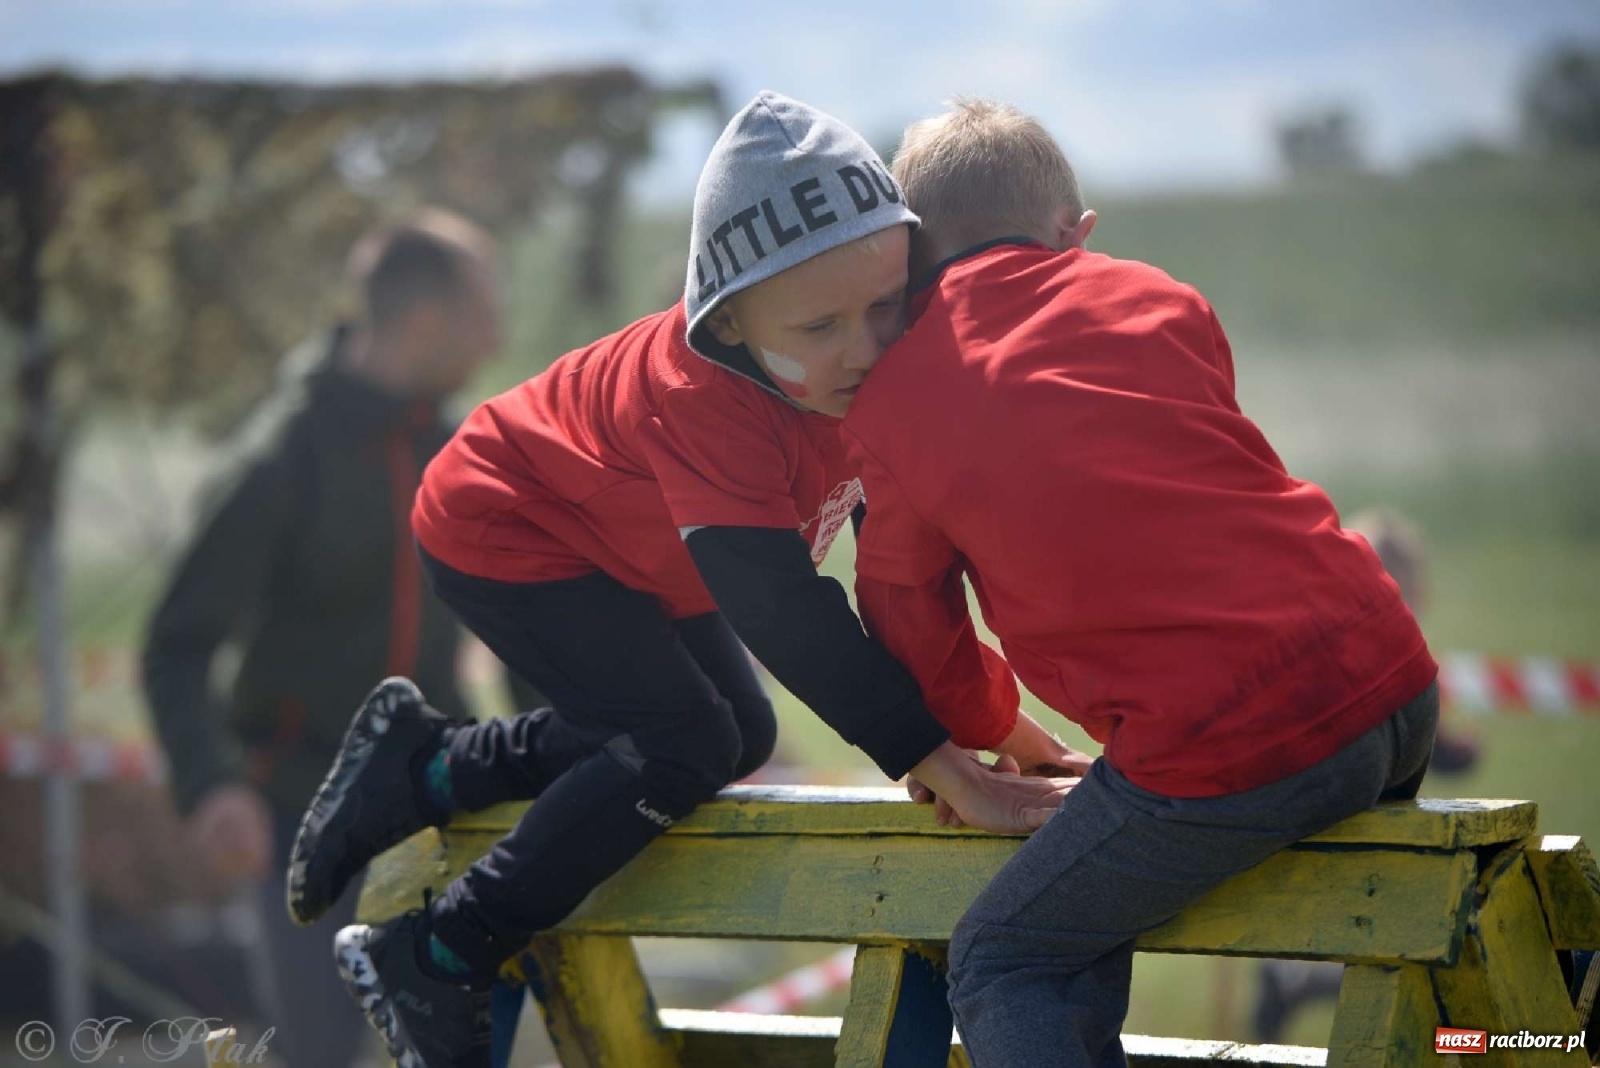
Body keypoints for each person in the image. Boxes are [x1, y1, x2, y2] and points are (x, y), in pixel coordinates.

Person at [286, 92, 1075, 1068]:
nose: (864, 346)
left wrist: (992, 728)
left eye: (883, 305)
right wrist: (935, 761)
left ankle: (426, 766)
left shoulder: (866, 368)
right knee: (683, 738)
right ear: (730, 325)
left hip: (634, 545)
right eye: (820, 324)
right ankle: (441, 949)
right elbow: (786, 613)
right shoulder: (704, 399)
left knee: (733, 736)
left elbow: (903, 579)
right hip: (507, 521)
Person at [836, 100, 1441, 1067]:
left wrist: (992, 735)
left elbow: (909, 614)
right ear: (1075, 237)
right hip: (1398, 680)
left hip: (1226, 748)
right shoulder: (1161, 296)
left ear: (906, 260)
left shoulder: (893, 398)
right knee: (1430, 942)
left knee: (1004, 959)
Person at [142, 209, 506, 1068]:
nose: (501, 338)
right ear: (424, 322)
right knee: (316, 1051)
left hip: (438, 806)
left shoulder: (459, 451)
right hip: (301, 814)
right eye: (485, 316)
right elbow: (175, 646)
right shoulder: (279, 460)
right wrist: (209, 785)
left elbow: (519, 625)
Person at [1253, 506, 1477, 1041]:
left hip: (1311, 842)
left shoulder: (1319, 641)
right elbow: (1434, 747)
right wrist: (1461, 749)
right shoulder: (1395, 655)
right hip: (1362, 857)